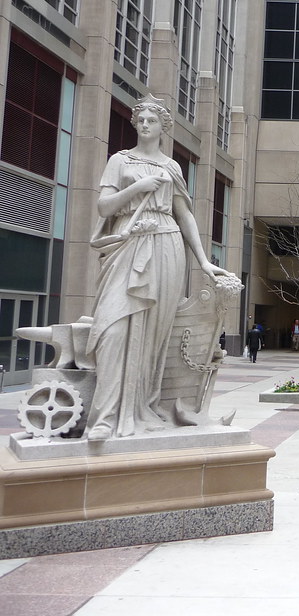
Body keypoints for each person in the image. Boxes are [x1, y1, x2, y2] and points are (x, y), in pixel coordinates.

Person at [83, 95, 229, 440]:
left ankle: (142, 407)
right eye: (141, 120)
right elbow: (104, 207)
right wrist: (137, 186)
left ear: (163, 127)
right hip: (128, 241)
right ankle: (106, 416)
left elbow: (186, 215)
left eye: (152, 120)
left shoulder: (172, 167)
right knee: (113, 328)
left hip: (166, 244)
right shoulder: (119, 161)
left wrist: (204, 261)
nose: (145, 125)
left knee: (154, 337)